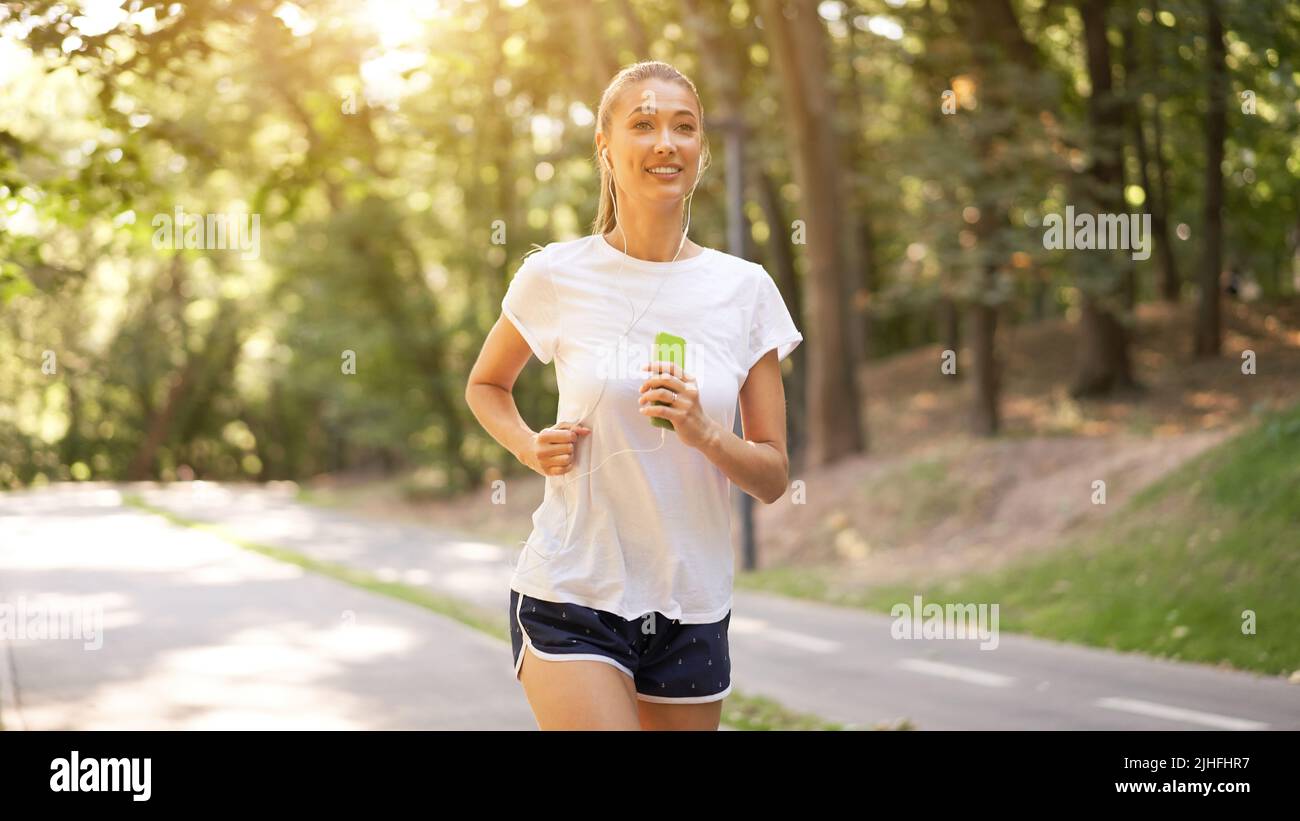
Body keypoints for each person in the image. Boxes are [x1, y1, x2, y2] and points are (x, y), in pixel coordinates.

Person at [465, 60, 802, 730]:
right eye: (643, 124)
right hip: (573, 590)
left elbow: (772, 476)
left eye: (683, 127)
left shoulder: (746, 290)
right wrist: (531, 446)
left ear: (700, 150)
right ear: (605, 146)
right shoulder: (557, 274)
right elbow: (485, 385)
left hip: (692, 604)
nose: (664, 142)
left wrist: (706, 431)